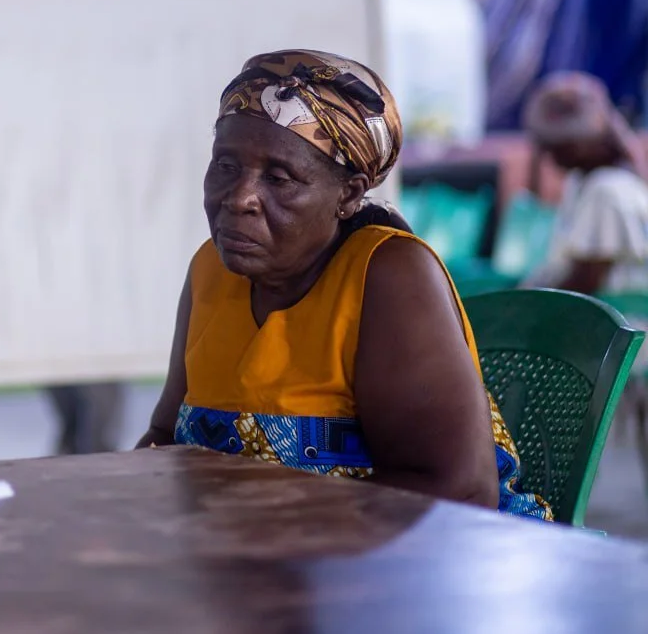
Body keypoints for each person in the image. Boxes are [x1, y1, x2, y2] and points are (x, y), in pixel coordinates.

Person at [136, 49, 550, 521]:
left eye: (279, 177)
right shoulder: (211, 268)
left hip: (420, 569)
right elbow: (165, 437)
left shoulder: (387, 275)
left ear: (349, 194)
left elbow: (459, 489)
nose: (240, 198)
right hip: (260, 567)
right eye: (226, 166)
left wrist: (262, 527)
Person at [521, 71, 648, 299]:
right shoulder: (582, 182)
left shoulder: (608, 190)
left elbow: (586, 280)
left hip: (613, 328)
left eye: (560, 147)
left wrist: (530, 304)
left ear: (583, 144)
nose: (552, 157)